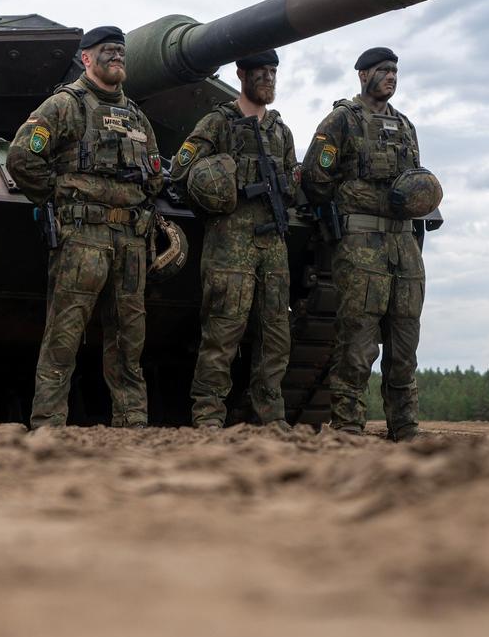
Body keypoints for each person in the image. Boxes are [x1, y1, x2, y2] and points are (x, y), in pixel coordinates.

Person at [7, 26, 164, 429]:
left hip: (130, 242)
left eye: (121, 52)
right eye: (107, 51)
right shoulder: (64, 105)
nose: (117, 58)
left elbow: (155, 176)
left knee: (130, 339)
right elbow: (23, 157)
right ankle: (48, 423)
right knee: (64, 335)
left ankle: (132, 422)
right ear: (87, 58)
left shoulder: (138, 118)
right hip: (82, 238)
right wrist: (59, 198)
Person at [299, 46, 425, 441]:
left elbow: (416, 183)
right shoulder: (341, 121)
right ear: (362, 75)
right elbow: (316, 179)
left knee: (405, 344)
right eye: (383, 70)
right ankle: (348, 426)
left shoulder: (405, 126)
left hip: (403, 247)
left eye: (395, 71)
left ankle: (404, 426)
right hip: (360, 246)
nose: (391, 77)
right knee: (357, 344)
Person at [171, 50, 297, 429]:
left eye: (273, 72)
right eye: (261, 72)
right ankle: (208, 415)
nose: (269, 79)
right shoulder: (218, 122)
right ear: (241, 73)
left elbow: (291, 181)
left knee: (275, 336)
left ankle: (271, 417)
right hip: (230, 241)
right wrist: (220, 188)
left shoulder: (281, 131)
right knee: (222, 334)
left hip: (273, 244)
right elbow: (181, 171)